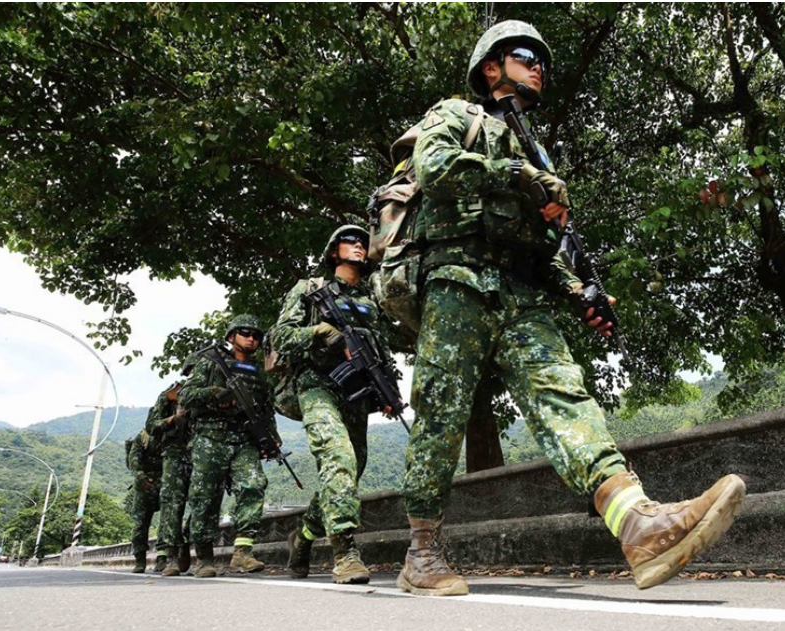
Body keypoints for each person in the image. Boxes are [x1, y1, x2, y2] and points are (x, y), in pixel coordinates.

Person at [397, 20, 746, 596]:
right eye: (527, 55)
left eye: (543, 62)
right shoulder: (458, 115)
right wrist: (521, 178)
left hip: (522, 291)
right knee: (441, 415)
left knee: (565, 397)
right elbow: (433, 169)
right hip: (457, 280)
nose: (539, 67)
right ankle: (423, 550)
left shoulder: (534, 146)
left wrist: (578, 289)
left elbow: (539, 247)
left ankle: (638, 524)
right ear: (492, 67)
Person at [270, 225, 396, 585]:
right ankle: (345, 553)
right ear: (333, 250)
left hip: (356, 392)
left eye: (362, 242)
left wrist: (386, 393)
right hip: (316, 384)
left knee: (351, 470)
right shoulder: (309, 290)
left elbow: (380, 352)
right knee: (337, 458)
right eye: (350, 241)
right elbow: (280, 337)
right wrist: (318, 332)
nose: (358, 246)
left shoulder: (372, 302)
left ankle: (304, 537)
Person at [179, 315, 277, 578]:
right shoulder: (210, 363)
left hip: (245, 440)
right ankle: (205, 557)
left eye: (256, 335)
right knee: (205, 499)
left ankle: (243, 553)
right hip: (211, 438)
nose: (251, 338)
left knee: (254, 485)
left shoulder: (259, 374)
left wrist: (272, 438)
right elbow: (186, 396)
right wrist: (214, 394)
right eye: (245, 332)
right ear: (232, 336)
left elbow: (267, 410)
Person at [147, 354, 200, 577]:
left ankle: (187, 540)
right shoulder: (169, 395)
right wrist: (172, 419)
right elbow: (151, 426)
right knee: (171, 504)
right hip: (175, 455)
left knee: (203, 501)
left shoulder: (209, 393)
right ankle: (170, 555)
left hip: (203, 453)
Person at [126, 423, 162, 574]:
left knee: (169, 520)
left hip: (166, 481)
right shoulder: (144, 436)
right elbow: (133, 459)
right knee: (140, 523)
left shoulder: (174, 432)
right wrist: (141, 476)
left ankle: (163, 557)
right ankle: (140, 559)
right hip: (145, 483)